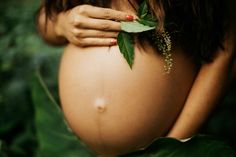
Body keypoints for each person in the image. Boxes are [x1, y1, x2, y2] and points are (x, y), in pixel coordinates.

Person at [37, 0, 235, 156]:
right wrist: (62, 24)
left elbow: (225, 54)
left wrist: (172, 147)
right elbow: (45, 22)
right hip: (79, 148)